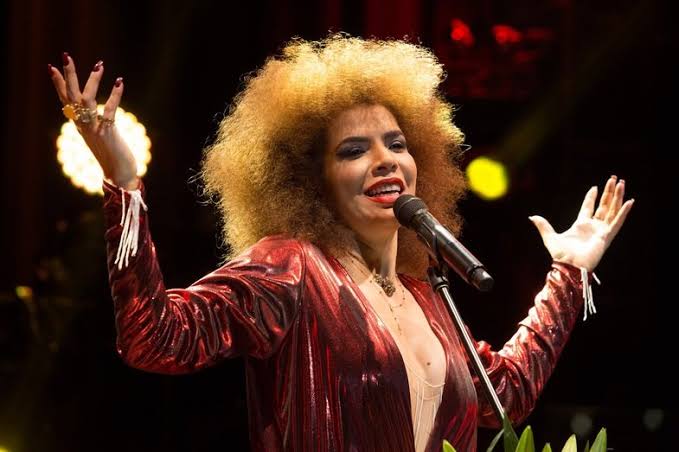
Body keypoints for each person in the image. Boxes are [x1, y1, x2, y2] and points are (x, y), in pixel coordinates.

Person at [48, 35, 633, 452]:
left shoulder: (428, 298)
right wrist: (124, 185)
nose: (385, 160)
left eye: (397, 143)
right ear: (313, 182)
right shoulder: (290, 268)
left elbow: (505, 394)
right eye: (354, 150)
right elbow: (154, 339)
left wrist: (568, 272)